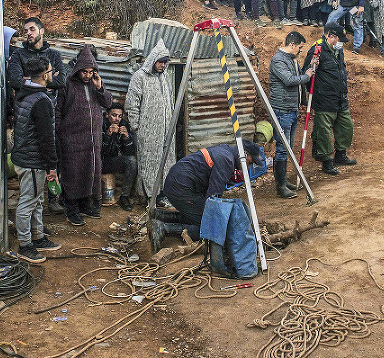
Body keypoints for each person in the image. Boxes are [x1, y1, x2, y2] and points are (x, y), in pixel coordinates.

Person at [151, 140, 264, 252]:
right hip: (182, 188)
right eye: (250, 163)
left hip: (177, 183)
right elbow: (213, 198)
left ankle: (160, 216)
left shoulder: (225, 152)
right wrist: (219, 223)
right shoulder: (226, 160)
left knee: (198, 214)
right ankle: (165, 229)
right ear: (244, 154)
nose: (248, 167)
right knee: (211, 226)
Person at [9, 56, 62, 263]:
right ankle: (25, 245)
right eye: (50, 71)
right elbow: (46, 138)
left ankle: (38, 237)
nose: (53, 74)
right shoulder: (41, 101)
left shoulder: (25, 94)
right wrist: (52, 167)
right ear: (45, 75)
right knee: (29, 201)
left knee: (37, 199)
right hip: (33, 160)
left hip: (25, 156)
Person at [56, 45, 112, 226]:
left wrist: (100, 87)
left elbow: (108, 102)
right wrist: (59, 133)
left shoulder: (95, 84)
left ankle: (85, 204)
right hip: (71, 138)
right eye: (84, 72)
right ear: (78, 69)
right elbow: (57, 111)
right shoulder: (68, 84)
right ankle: (71, 209)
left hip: (92, 139)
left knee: (89, 171)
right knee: (72, 173)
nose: (87, 75)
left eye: (91, 72)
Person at [125, 40, 176, 208]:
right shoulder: (140, 77)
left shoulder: (165, 77)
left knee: (166, 162)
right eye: (160, 61)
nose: (162, 65)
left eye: (164, 62)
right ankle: (150, 196)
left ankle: (163, 194)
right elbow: (132, 104)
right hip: (147, 132)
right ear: (152, 60)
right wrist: (136, 127)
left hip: (166, 130)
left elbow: (170, 100)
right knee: (149, 164)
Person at [302, 23, 355, 174]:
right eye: (339, 39)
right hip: (324, 99)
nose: (341, 43)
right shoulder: (317, 49)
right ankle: (326, 160)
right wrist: (316, 95)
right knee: (324, 132)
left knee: (346, 126)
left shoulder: (339, 50)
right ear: (330, 36)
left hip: (340, 98)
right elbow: (307, 72)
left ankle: (340, 155)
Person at [269, 31, 317, 198]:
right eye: (300, 47)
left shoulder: (291, 59)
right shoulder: (278, 60)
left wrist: (309, 67)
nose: (300, 50)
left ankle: (283, 182)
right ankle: (280, 186)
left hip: (292, 109)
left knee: (287, 147)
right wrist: (307, 76)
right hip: (282, 110)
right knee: (282, 149)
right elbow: (289, 80)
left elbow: (298, 77)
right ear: (292, 45)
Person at [101, 104, 138, 211]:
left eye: (120, 116)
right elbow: (99, 151)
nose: (117, 119)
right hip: (99, 162)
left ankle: (124, 196)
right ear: (107, 115)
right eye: (114, 115)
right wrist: (108, 135)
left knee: (132, 161)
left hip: (113, 162)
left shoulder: (123, 125)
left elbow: (130, 152)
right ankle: (93, 198)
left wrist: (126, 137)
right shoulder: (100, 124)